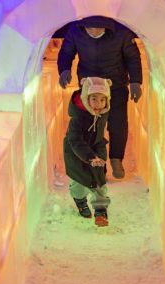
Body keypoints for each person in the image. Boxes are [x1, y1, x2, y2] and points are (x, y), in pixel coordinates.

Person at [58, 15, 143, 179]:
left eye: (98, 28)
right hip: (89, 86)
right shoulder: (75, 31)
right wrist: (64, 70)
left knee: (117, 123)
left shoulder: (122, 32)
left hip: (115, 84)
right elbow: (66, 52)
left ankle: (116, 158)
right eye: (90, 28)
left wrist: (135, 81)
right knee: (90, 125)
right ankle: (93, 162)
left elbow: (132, 57)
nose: (94, 32)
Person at [64, 77, 112, 227]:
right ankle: (80, 201)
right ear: (86, 98)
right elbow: (75, 141)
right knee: (79, 184)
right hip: (76, 155)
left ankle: (100, 211)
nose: (98, 104)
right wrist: (90, 156)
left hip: (94, 155)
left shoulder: (101, 116)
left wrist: (100, 157)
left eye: (102, 100)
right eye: (94, 99)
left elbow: (99, 138)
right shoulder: (77, 119)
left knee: (99, 182)